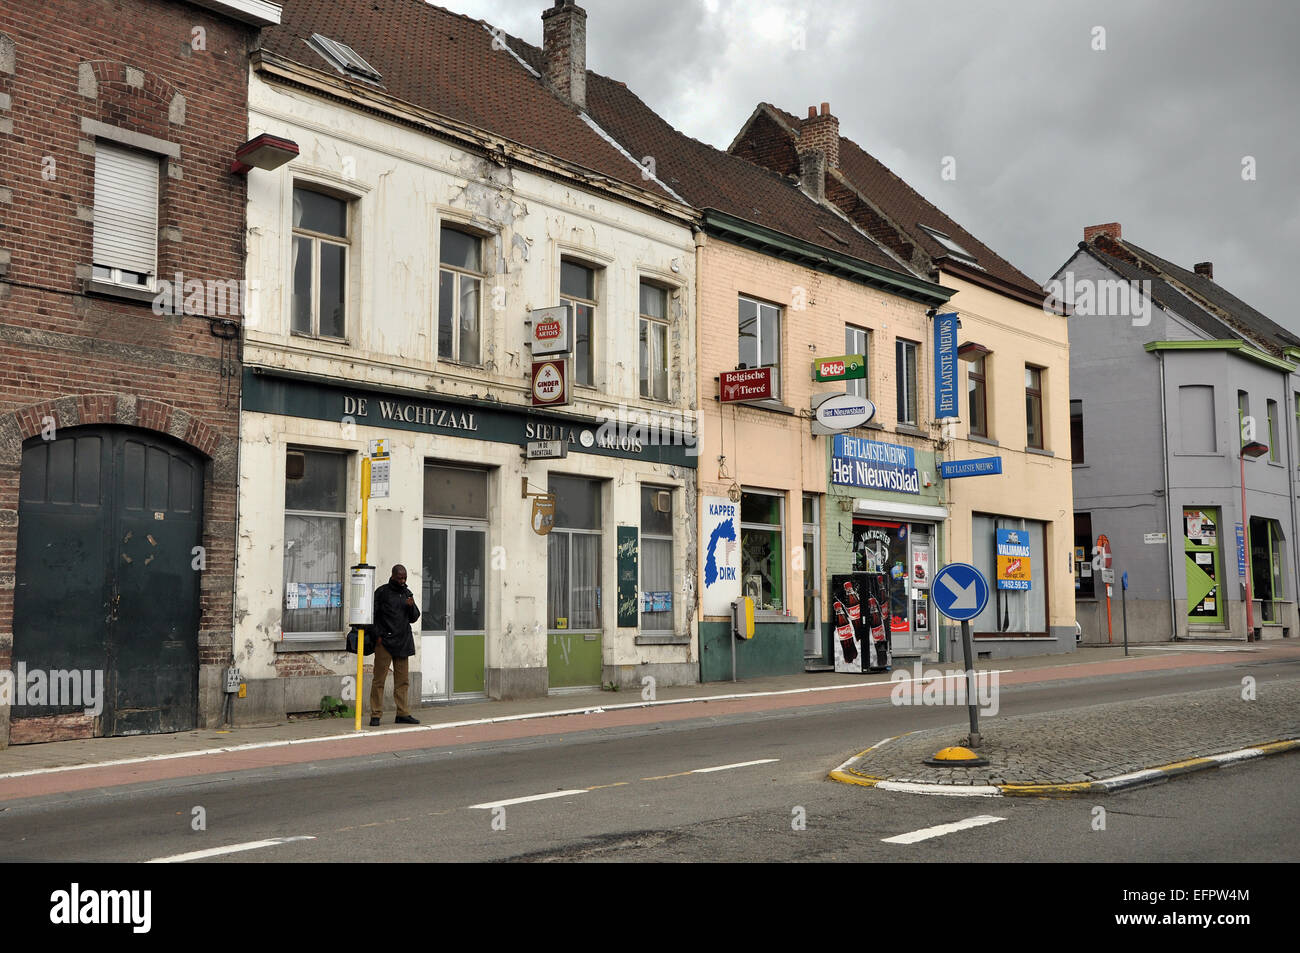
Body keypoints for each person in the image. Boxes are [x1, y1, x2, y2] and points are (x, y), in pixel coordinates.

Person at [369, 564, 421, 726]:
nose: (403, 580)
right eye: (400, 578)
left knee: (403, 681)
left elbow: (414, 617)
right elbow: (371, 615)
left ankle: (403, 713)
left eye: (405, 578)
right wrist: (377, 635)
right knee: (379, 680)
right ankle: (376, 714)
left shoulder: (407, 593)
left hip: (403, 642)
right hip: (384, 642)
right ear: (393, 576)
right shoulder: (382, 592)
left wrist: (411, 606)